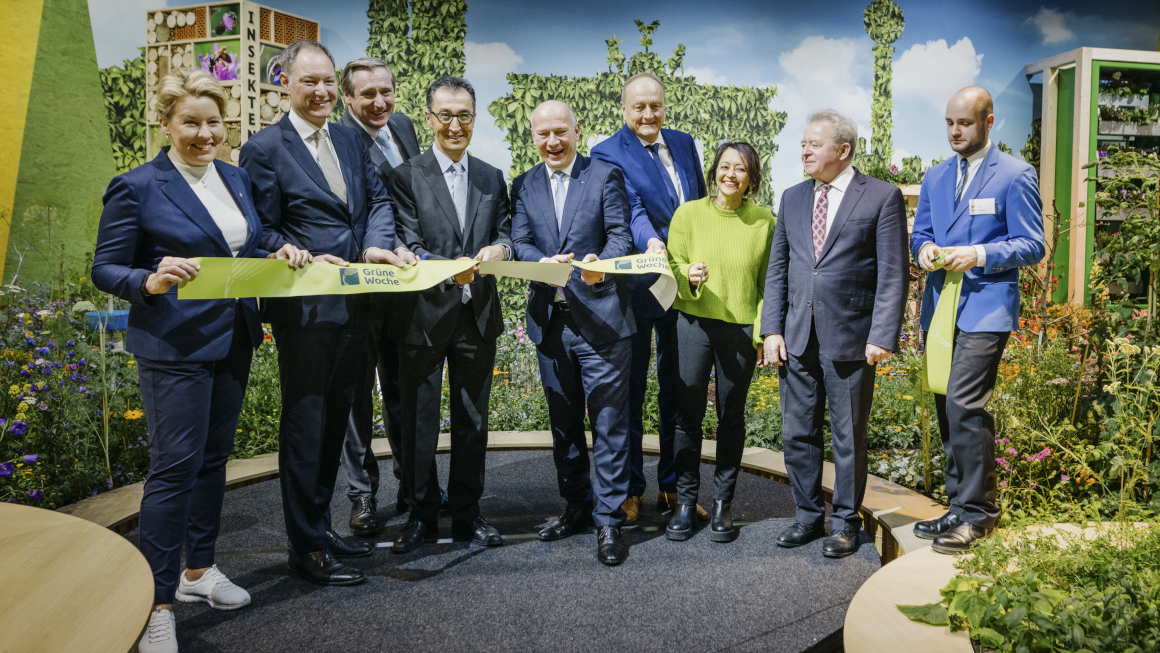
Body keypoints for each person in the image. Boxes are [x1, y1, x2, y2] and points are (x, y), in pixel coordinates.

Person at [92, 69, 308, 653]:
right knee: (173, 470)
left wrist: (278, 245)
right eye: (191, 122)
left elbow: (248, 240)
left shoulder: (234, 178)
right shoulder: (137, 186)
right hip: (173, 345)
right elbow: (105, 267)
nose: (204, 133)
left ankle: (198, 574)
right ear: (166, 124)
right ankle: (155, 602)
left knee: (214, 462)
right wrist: (149, 279)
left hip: (233, 336)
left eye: (214, 122)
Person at [240, 40, 405, 586]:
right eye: (309, 81)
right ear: (284, 83)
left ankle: (320, 530)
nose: (322, 92)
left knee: (338, 423)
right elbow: (258, 228)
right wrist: (289, 249)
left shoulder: (351, 140)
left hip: (356, 303)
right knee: (307, 426)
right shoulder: (264, 148)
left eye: (328, 81)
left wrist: (376, 245)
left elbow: (378, 201)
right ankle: (304, 549)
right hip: (306, 309)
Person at [367, 76, 513, 554]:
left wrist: (502, 247)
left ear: (475, 118)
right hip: (423, 318)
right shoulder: (405, 176)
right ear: (429, 119)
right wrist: (453, 275)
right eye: (445, 115)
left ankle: (468, 514)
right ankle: (421, 514)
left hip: (478, 317)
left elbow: (508, 231)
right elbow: (409, 243)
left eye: (464, 115)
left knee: (473, 423)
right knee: (417, 423)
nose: (455, 125)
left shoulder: (492, 177)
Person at [761, 109, 908, 559]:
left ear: (843, 150)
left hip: (852, 338)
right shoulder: (792, 198)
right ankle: (807, 516)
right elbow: (779, 268)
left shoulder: (882, 197)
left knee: (848, 436)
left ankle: (845, 522)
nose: (803, 150)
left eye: (813, 143)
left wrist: (882, 334)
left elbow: (892, 274)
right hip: (797, 336)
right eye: (802, 143)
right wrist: (772, 329)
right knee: (797, 433)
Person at [910, 87, 1044, 554]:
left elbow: (1033, 245)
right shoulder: (936, 176)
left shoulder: (1015, 174)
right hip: (940, 305)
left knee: (966, 403)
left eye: (963, 124)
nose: (954, 132)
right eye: (949, 122)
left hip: (987, 307)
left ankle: (980, 514)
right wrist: (924, 250)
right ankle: (958, 506)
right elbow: (921, 233)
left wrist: (980, 254)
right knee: (949, 404)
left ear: (989, 122)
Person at [510, 100, 635, 565]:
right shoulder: (523, 184)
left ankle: (608, 521)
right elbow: (520, 240)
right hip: (550, 323)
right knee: (563, 425)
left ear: (577, 131)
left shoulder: (604, 175)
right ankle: (577, 506)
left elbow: (621, 236)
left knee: (608, 425)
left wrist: (600, 264)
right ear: (534, 137)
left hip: (602, 321)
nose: (552, 142)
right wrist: (541, 262)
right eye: (543, 134)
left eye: (560, 132)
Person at [589, 72, 708, 522]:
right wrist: (651, 245)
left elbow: (696, 208)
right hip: (638, 289)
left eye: (654, 105)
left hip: (686, 291)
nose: (647, 114)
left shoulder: (683, 142)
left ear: (664, 105)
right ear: (623, 109)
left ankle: (676, 488)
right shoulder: (607, 153)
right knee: (630, 393)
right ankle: (631, 490)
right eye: (638, 107)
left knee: (679, 391)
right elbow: (631, 209)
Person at [335, 56, 443, 537]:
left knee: (403, 393)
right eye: (367, 95)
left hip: (405, 290)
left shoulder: (402, 126)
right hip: (358, 292)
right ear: (347, 98)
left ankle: (414, 485)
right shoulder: (337, 141)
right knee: (356, 400)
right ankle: (362, 496)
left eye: (386, 92)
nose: (379, 103)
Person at [666, 142, 774, 543]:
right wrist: (688, 275)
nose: (731, 174)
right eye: (725, 166)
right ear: (714, 171)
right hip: (693, 323)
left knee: (731, 417)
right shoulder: (688, 214)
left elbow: (768, 283)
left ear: (752, 178)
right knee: (687, 415)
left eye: (741, 169)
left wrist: (762, 333)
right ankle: (684, 502)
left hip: (740, 331)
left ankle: (723, 504)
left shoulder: (764, 221)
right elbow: (671, 266)